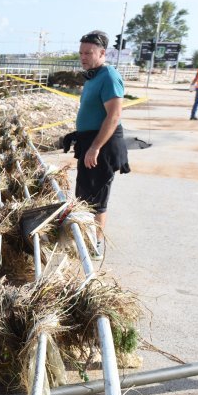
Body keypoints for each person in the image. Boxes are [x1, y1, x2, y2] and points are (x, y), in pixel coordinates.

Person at [64, 30, 130, 259]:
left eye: (89, 53)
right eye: (81, 52)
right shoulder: (93, 76)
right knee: (84, 193)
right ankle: (86, 236)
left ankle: (96, 245)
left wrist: (95, 147)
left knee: (97, 197)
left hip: (102, 144)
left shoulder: (109, 76)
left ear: (102, 53)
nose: (83, 57)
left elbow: (114, 115)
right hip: (90, 142)